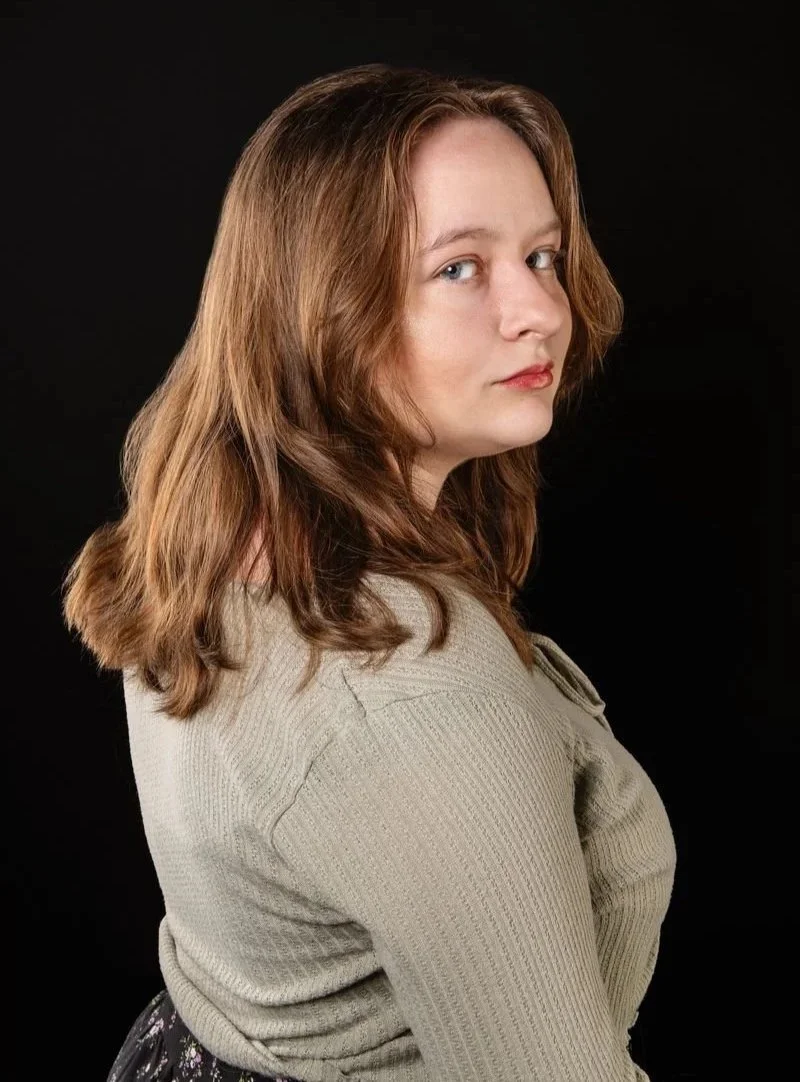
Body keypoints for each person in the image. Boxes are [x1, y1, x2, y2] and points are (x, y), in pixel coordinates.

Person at [62, 62, 676, 1082]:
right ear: (323, 305)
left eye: (541, 255)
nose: (540, 308)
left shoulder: (209, 528)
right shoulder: (415, 699)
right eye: (460, 268)